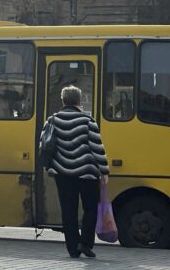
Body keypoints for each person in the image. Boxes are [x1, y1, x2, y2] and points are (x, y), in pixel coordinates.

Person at [46, 85, 109, 259]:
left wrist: (51, 167)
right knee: (90, 209)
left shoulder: (52, 120)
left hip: (63, 174)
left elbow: (44, 146)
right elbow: (97, 148)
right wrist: (104, 171)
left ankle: (73, 249)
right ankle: (85, 243)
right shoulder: (88, 121)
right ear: (79, 101)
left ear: (63, 100)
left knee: (69, 211)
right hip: (87, 174)